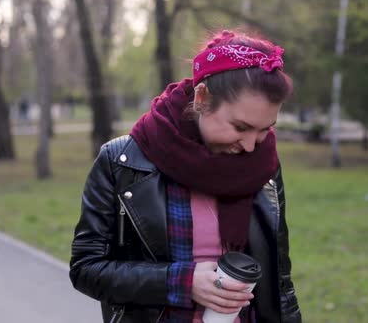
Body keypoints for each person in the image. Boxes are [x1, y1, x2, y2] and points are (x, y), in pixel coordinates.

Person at [69, 30, 302, 323]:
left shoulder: (264, 163)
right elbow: (86, 269)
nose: (251, 145)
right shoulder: (122, 162)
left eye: (265, 129)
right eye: (241, 127)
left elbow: (279, 280)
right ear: (202, 98)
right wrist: (182, 282)